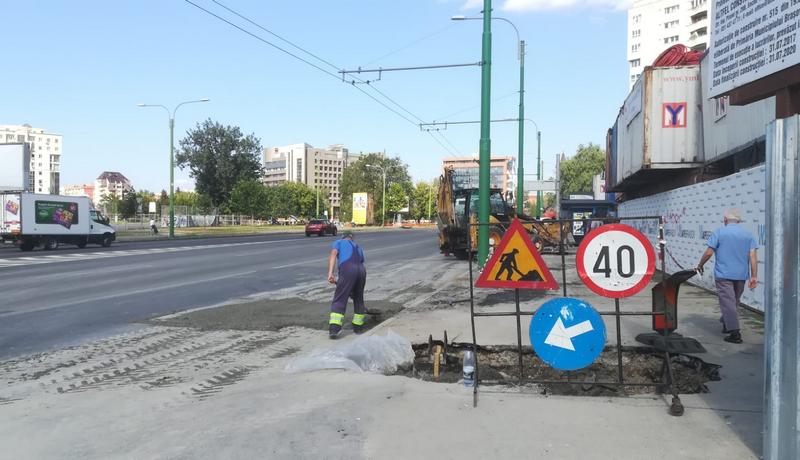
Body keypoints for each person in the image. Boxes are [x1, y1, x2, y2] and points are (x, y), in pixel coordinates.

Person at [695, 209, 758, 344]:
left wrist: (700, 265)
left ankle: (735, 333)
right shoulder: (748, 235)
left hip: (723, 274)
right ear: (739, 221)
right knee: (733, 301)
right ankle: (726, 323)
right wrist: (754, 276)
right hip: (741, 275)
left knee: (728, 302)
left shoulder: (719, 232)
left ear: (725, 220)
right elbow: (752, 256)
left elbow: (709, 253)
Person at [327, 231, 367, 339]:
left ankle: (334, 329)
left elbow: (333, 254)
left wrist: (330, 273)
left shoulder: (339, 242)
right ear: (351, 238)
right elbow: (361, 261)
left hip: (348, 269)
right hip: (362, 271)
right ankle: (358, 328)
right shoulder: (357, 246)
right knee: (358, 299)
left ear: (343, 237)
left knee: (340, 298)